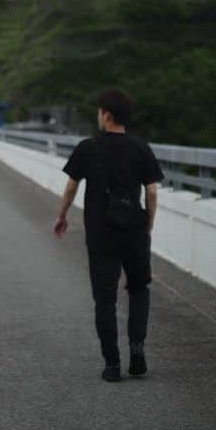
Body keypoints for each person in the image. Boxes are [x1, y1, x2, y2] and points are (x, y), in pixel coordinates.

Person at [53, 90, 163, 382]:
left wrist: (62, 215)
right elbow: (152, 192)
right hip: (134, 231)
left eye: (99, 112)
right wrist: (148, 226)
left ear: (107, 115)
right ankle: (137, 350)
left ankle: (112, 364)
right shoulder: (141, 148)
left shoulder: (88, 148)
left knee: (105, 300)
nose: (98, 116)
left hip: (102, 234)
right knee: (139, 290)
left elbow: (71, 188)